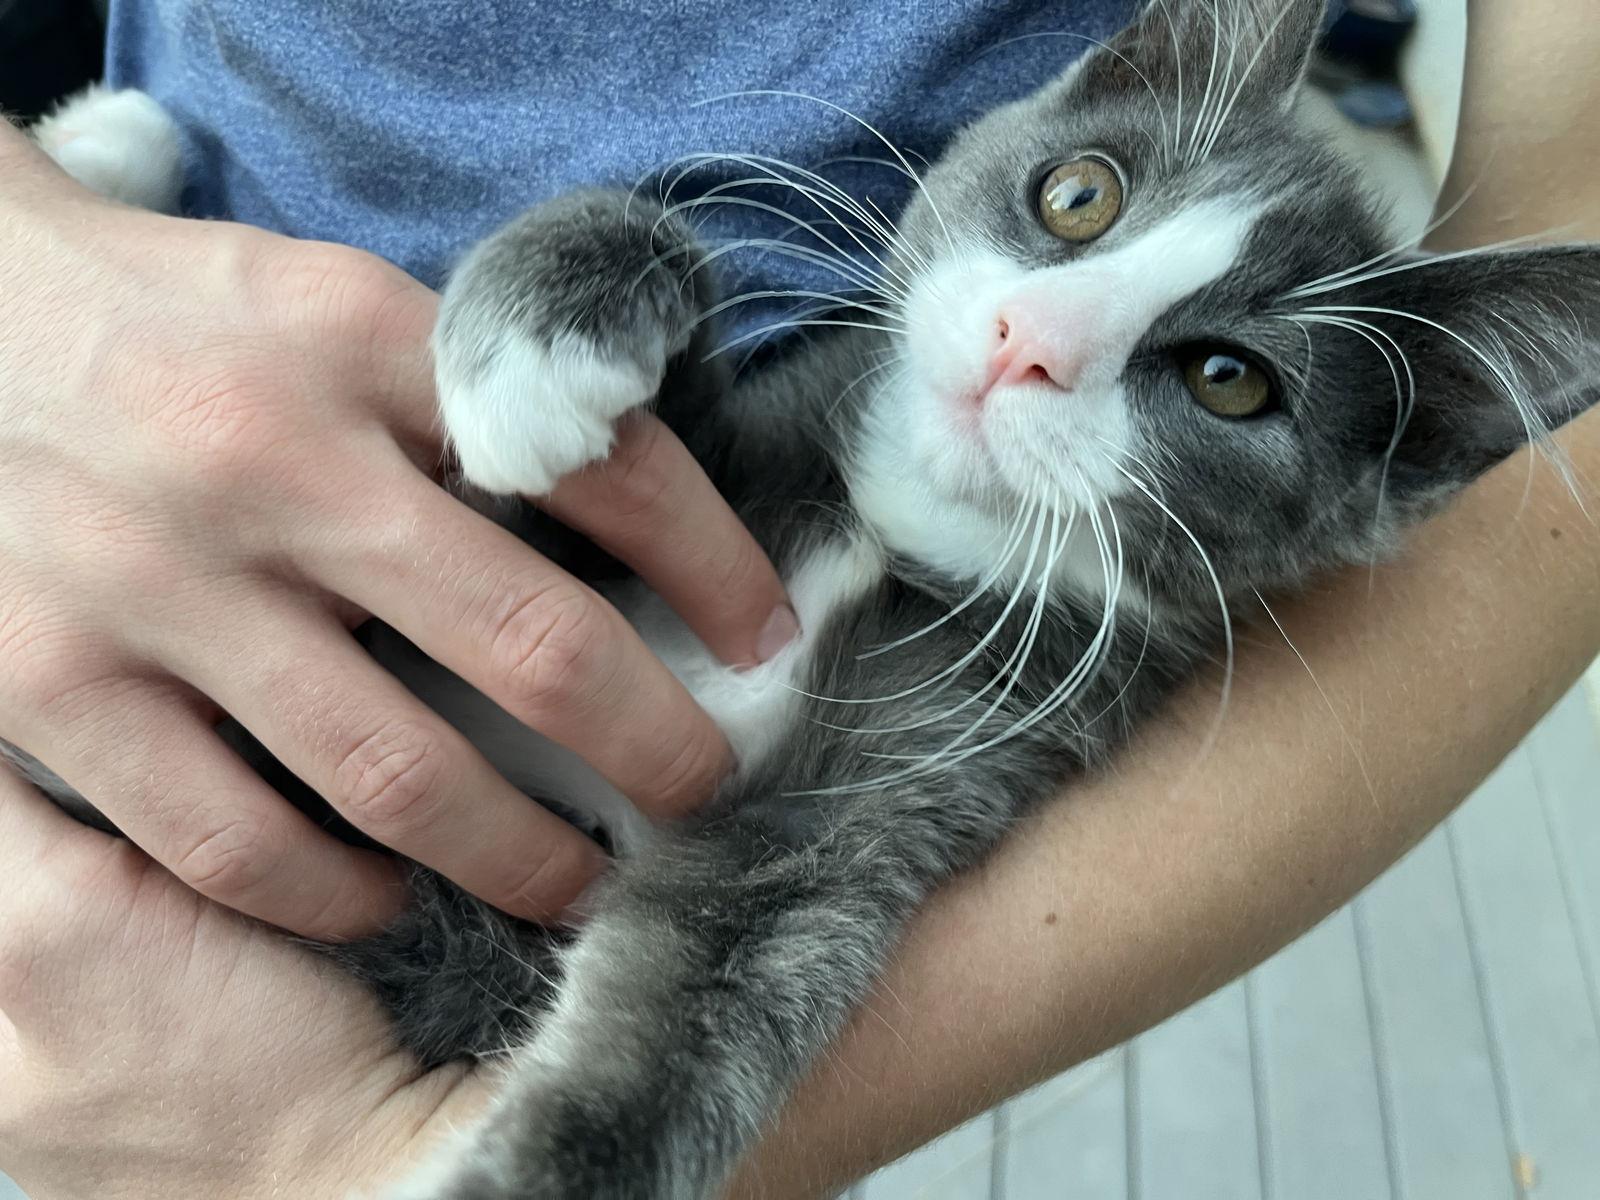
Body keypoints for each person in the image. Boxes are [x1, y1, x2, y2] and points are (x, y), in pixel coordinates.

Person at [1, 1, 1597, 1197]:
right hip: (119, 454)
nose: (1040, 334)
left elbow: (761, 938)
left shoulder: (1038, 682)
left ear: (1398, 466)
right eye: (1080, 208)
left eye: (1228, 378)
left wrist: (368, 1155)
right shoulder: (810, 372)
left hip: (272, 993)